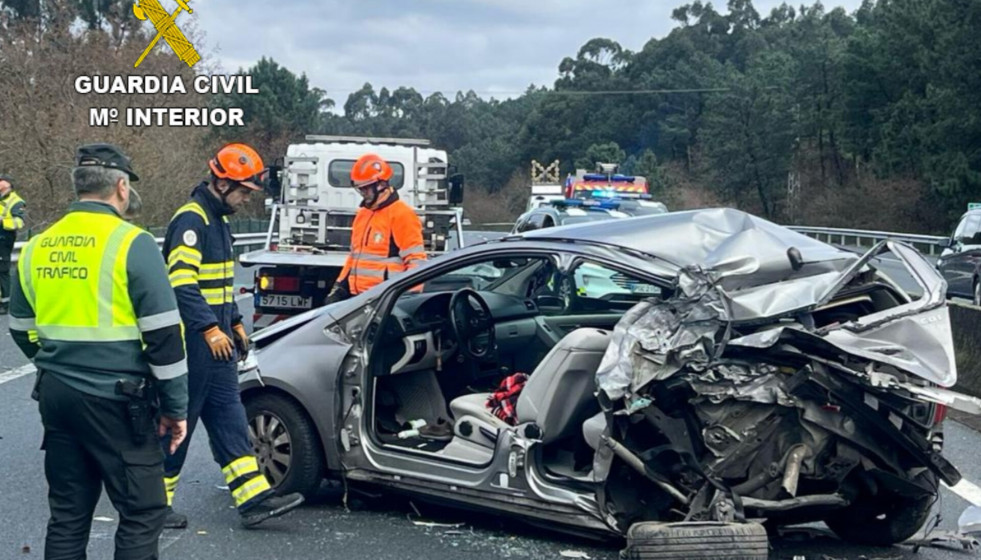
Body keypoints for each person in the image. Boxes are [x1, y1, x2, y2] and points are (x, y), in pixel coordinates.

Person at [8, 143, 188, 560]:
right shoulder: (133, 243)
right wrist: (175, 408)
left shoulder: (38, 245)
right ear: (121, 187)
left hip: (57, 394)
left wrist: (57, 363)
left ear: (78, 186)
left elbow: (20, 328)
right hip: (119, 400)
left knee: (69, 515)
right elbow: (163, 338)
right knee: (143, 511)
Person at [161, 143, 304, 529]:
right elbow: (182, 283)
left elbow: (221, 287)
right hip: (194, 342)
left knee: (229, 416)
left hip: (218, 341)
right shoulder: (192, 221)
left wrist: (235, 323)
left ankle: (252, 498)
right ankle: (153, 505)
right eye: (242, 191)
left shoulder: (217, 221)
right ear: (221, 183)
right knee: (180, 420)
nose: (245, 199)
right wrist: (209, 328)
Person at [326, 153, 427, 303]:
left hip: (385, 300)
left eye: (366, 189)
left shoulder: (402, 215)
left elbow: (416, 261)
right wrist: (339, 287)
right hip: (359, 299)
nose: (363, 194)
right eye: (360, 189)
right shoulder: (363, 214)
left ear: (381, 185)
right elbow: (354, 258)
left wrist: (406, 299)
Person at [0, 174, 26, 314]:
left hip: (4, 239)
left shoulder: (16, 202)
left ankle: (6, 303)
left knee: (3, 271)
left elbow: (19, 222)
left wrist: (2, 222)